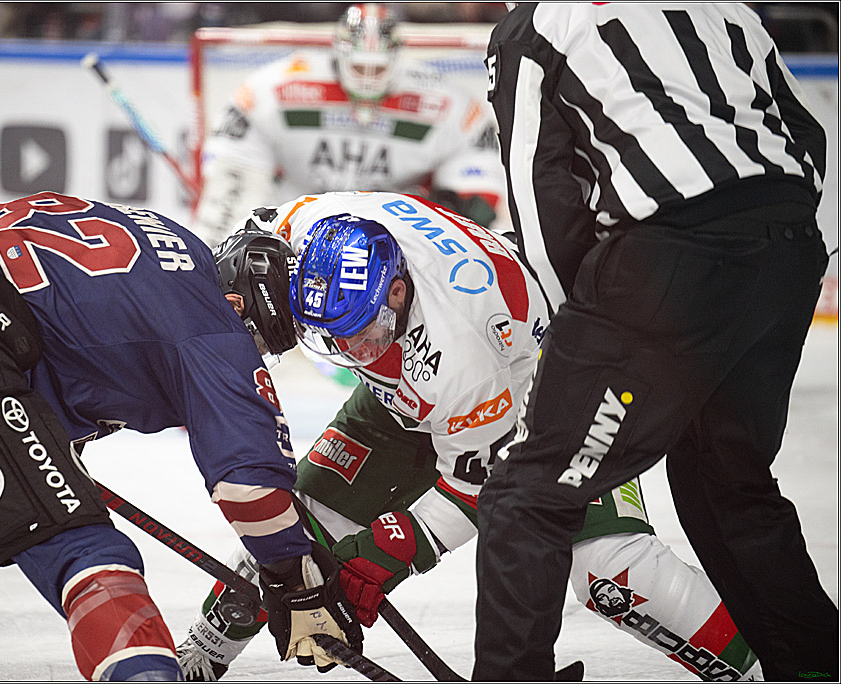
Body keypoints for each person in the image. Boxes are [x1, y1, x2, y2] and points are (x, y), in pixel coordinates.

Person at [175, 191, 764, 682]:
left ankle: (763, 667)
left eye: (366, 332)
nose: (354, 352)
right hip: (409, 402)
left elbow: (477, 486)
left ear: (398, 292)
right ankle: (200, 656)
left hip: (549, 399)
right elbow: (250, 250)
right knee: (291, 528)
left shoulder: (457, 354)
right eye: (334, 336)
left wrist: (389, 554)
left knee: (610, 571)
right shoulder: (307, 229)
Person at [0, 193, 361, 681]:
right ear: (245, 309)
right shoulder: (213, 327)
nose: (263, 355)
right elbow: (251, 488)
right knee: (85, 546)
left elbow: (57, 316)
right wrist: (294, 575)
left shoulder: (158, 234)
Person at [476, 3, 837, 680]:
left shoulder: (535, 24)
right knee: (726, 483)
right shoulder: (724, 6)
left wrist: (580, 315)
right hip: (788, 253)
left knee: (529, 494)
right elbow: (808, 135)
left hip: (668, 262)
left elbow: (538, 188)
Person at [190, 2, 508, 248]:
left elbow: (480, 179)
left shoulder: (445, 103)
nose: (367, 79)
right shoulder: (280, 86)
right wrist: (229, 232)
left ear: (397, 58)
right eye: (359, 66)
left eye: (377, 69)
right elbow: (233, 156)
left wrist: (447, 217)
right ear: (339, 52)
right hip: (293, 227)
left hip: (396, 237)